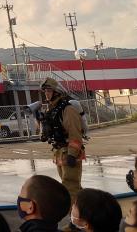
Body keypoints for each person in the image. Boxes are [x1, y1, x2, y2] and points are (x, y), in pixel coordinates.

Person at [39, 78, 85, 212]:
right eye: (45, 91)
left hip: (69, 153)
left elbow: (75, 134)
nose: (46, 93)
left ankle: (75, 220)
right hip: (59, 152)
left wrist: (72, 154)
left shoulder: (68, 109)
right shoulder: (52, 109)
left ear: (57, 92)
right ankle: (85, 212)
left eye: (49, 90)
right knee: (72, 187)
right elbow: (46, 133)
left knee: (70, 188)